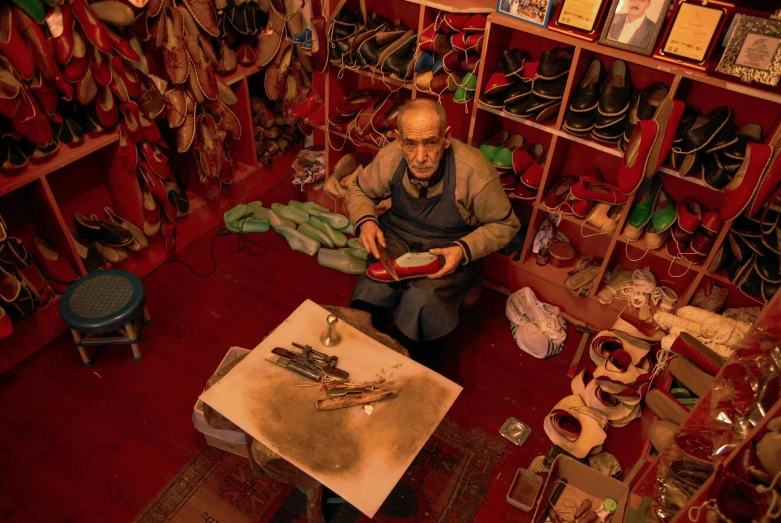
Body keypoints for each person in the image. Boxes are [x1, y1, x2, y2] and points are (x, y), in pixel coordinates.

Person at [346, 99, 521, 369]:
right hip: (397, 238)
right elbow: (359, 189)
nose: (419, 157)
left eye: (430, 143)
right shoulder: (392, 157)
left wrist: (463, 250)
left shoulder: (473, 171)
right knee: (372, 291)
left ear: (446, 138)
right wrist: (365, 221)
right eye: (410, 144)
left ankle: (415, 368)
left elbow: (506, 224)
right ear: (400, 139)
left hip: (447, 248)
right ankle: (366, 361)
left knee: (422, 301)